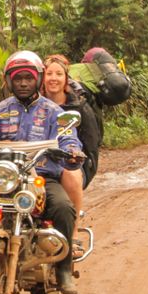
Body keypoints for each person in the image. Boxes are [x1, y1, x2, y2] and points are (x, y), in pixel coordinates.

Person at [0, 50, 85, 294]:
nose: (23, 83)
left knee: (62, 207)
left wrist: (71, 151)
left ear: (37, 79)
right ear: (9, 81)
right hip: (7, 178)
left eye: (28, 78)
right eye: (18, 79)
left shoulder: (53, 112)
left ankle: (63, 269)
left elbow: (68, 137)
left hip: (42, 177)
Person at [41, 54, 101, 252]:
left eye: (59, 74)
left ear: (66, 79)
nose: (53, 78)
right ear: (42, 78)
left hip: (71, 163)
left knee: (70, 173)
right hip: (38, 163)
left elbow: (92, 143)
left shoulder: (80, 108)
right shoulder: (34, 105)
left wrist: (77, 158)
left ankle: (73, 233)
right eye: (49, 73)